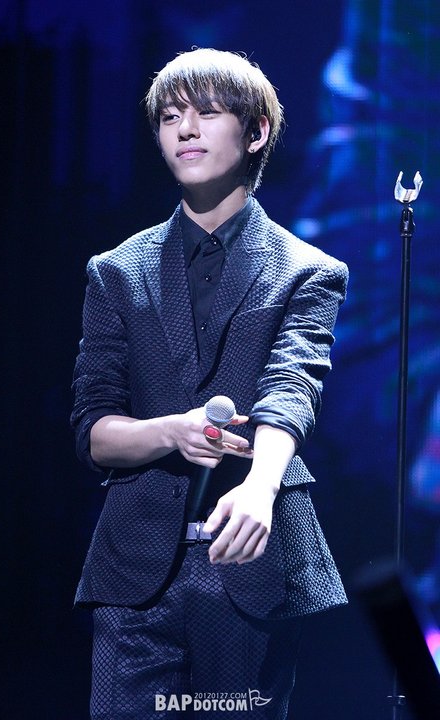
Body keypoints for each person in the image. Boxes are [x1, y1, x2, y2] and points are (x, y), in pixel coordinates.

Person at [71, 48, 348, 720]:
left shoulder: (307, 271)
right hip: (136, 569)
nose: (185, 129)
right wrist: (171, 431)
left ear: (256, 132)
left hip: (250, 562)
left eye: (207, 112)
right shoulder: (116, 271)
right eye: (170, 117)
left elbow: (292, 388)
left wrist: (259, 486)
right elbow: (94, 429)